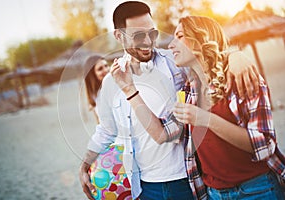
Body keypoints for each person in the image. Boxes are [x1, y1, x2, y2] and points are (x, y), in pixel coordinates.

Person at [79, 1, 260, 199]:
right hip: (145, 185)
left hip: (188, 178)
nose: (148, 41)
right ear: (119, 36)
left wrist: (235, 56)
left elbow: (208, 60)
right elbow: (106, 129)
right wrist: (86, 163)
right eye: (139, 35)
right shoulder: (110, 82)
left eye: (152, 33)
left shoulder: (175, 62)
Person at [169, 15, 285, 199]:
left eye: (180, 36)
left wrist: (205, 119)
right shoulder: (188, 91)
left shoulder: (241, 78)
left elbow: (264, 144)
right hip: (214, 194)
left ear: (201, 38)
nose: (171, 45)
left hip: (258, 190)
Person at [84, 55, 110, 122]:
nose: (106, 70)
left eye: (106, 65)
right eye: (100, 69)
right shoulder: (94, 96)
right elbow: (99, 122)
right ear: (93, 75)